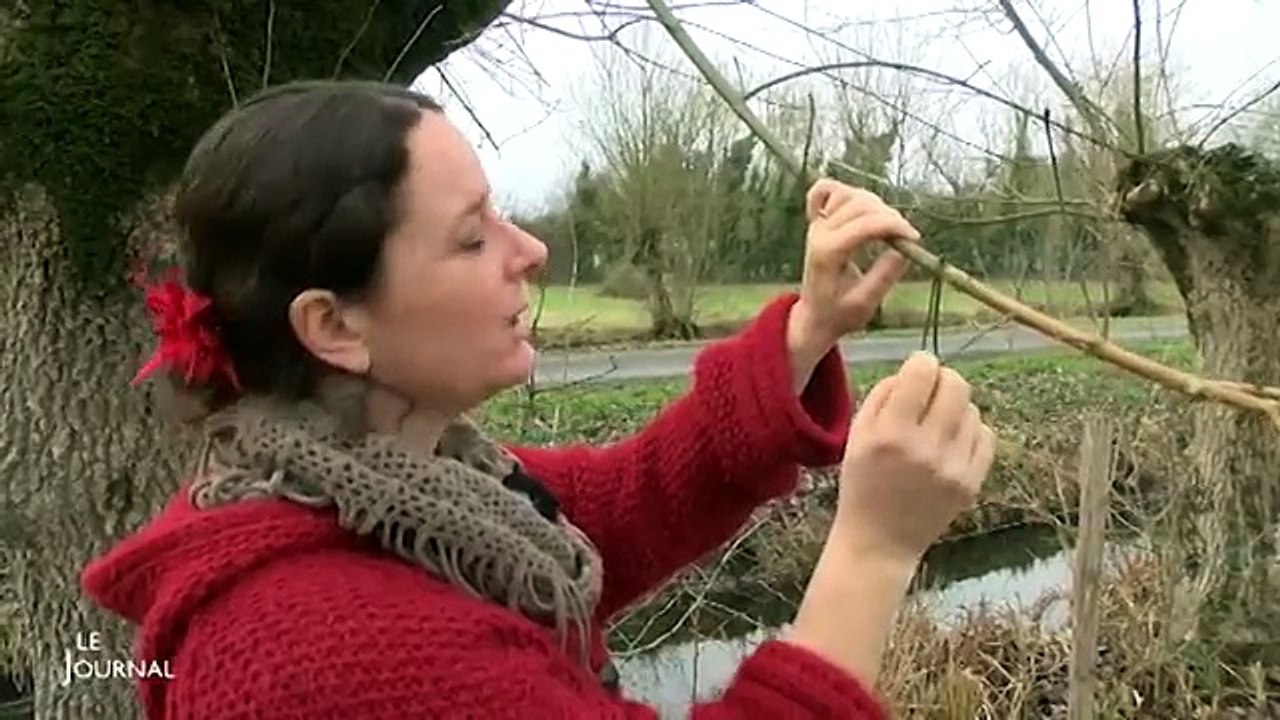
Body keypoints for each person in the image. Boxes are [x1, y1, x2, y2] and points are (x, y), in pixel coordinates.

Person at [80, 79, 995, 719]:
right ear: (334, 327)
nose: (532, 252)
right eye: (472, 237)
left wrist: (806, 333)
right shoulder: (328, 645)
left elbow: (628, 502)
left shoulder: (412, 490)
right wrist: (873, 549)